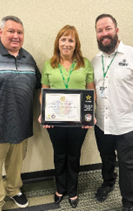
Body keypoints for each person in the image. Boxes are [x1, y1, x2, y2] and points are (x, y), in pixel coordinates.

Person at [91, 14, 133, 211]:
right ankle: (108, 182)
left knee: (128, 165)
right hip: (102, 123)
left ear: (116, 30)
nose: (104, 34)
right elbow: (93, 90)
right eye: (100, 30)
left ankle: (129, 201)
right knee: (106, 158)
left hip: (128, 124)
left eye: (108, 29)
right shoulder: (95, 60)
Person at [0, 15, 41, 211]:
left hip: (20, 127)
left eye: (19, 32)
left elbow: (39, 87)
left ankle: (13, 189)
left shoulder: (28, 58)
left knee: (15, 166)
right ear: (0, 32)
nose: (16, 36)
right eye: (11, 31)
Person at [38, 25, 95, 208]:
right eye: (63, 39)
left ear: (76, 43)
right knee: (59, 155)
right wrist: (43, 114)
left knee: (74, 155)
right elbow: (43, 92)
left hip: (78, 121)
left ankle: (73, 190)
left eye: (71, 40)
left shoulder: (85, 64)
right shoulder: (50, 64)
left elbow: (90, 93)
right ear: (58, 42)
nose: (67, 43)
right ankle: (60, 188)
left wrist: (90, 114)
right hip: (56, 120)